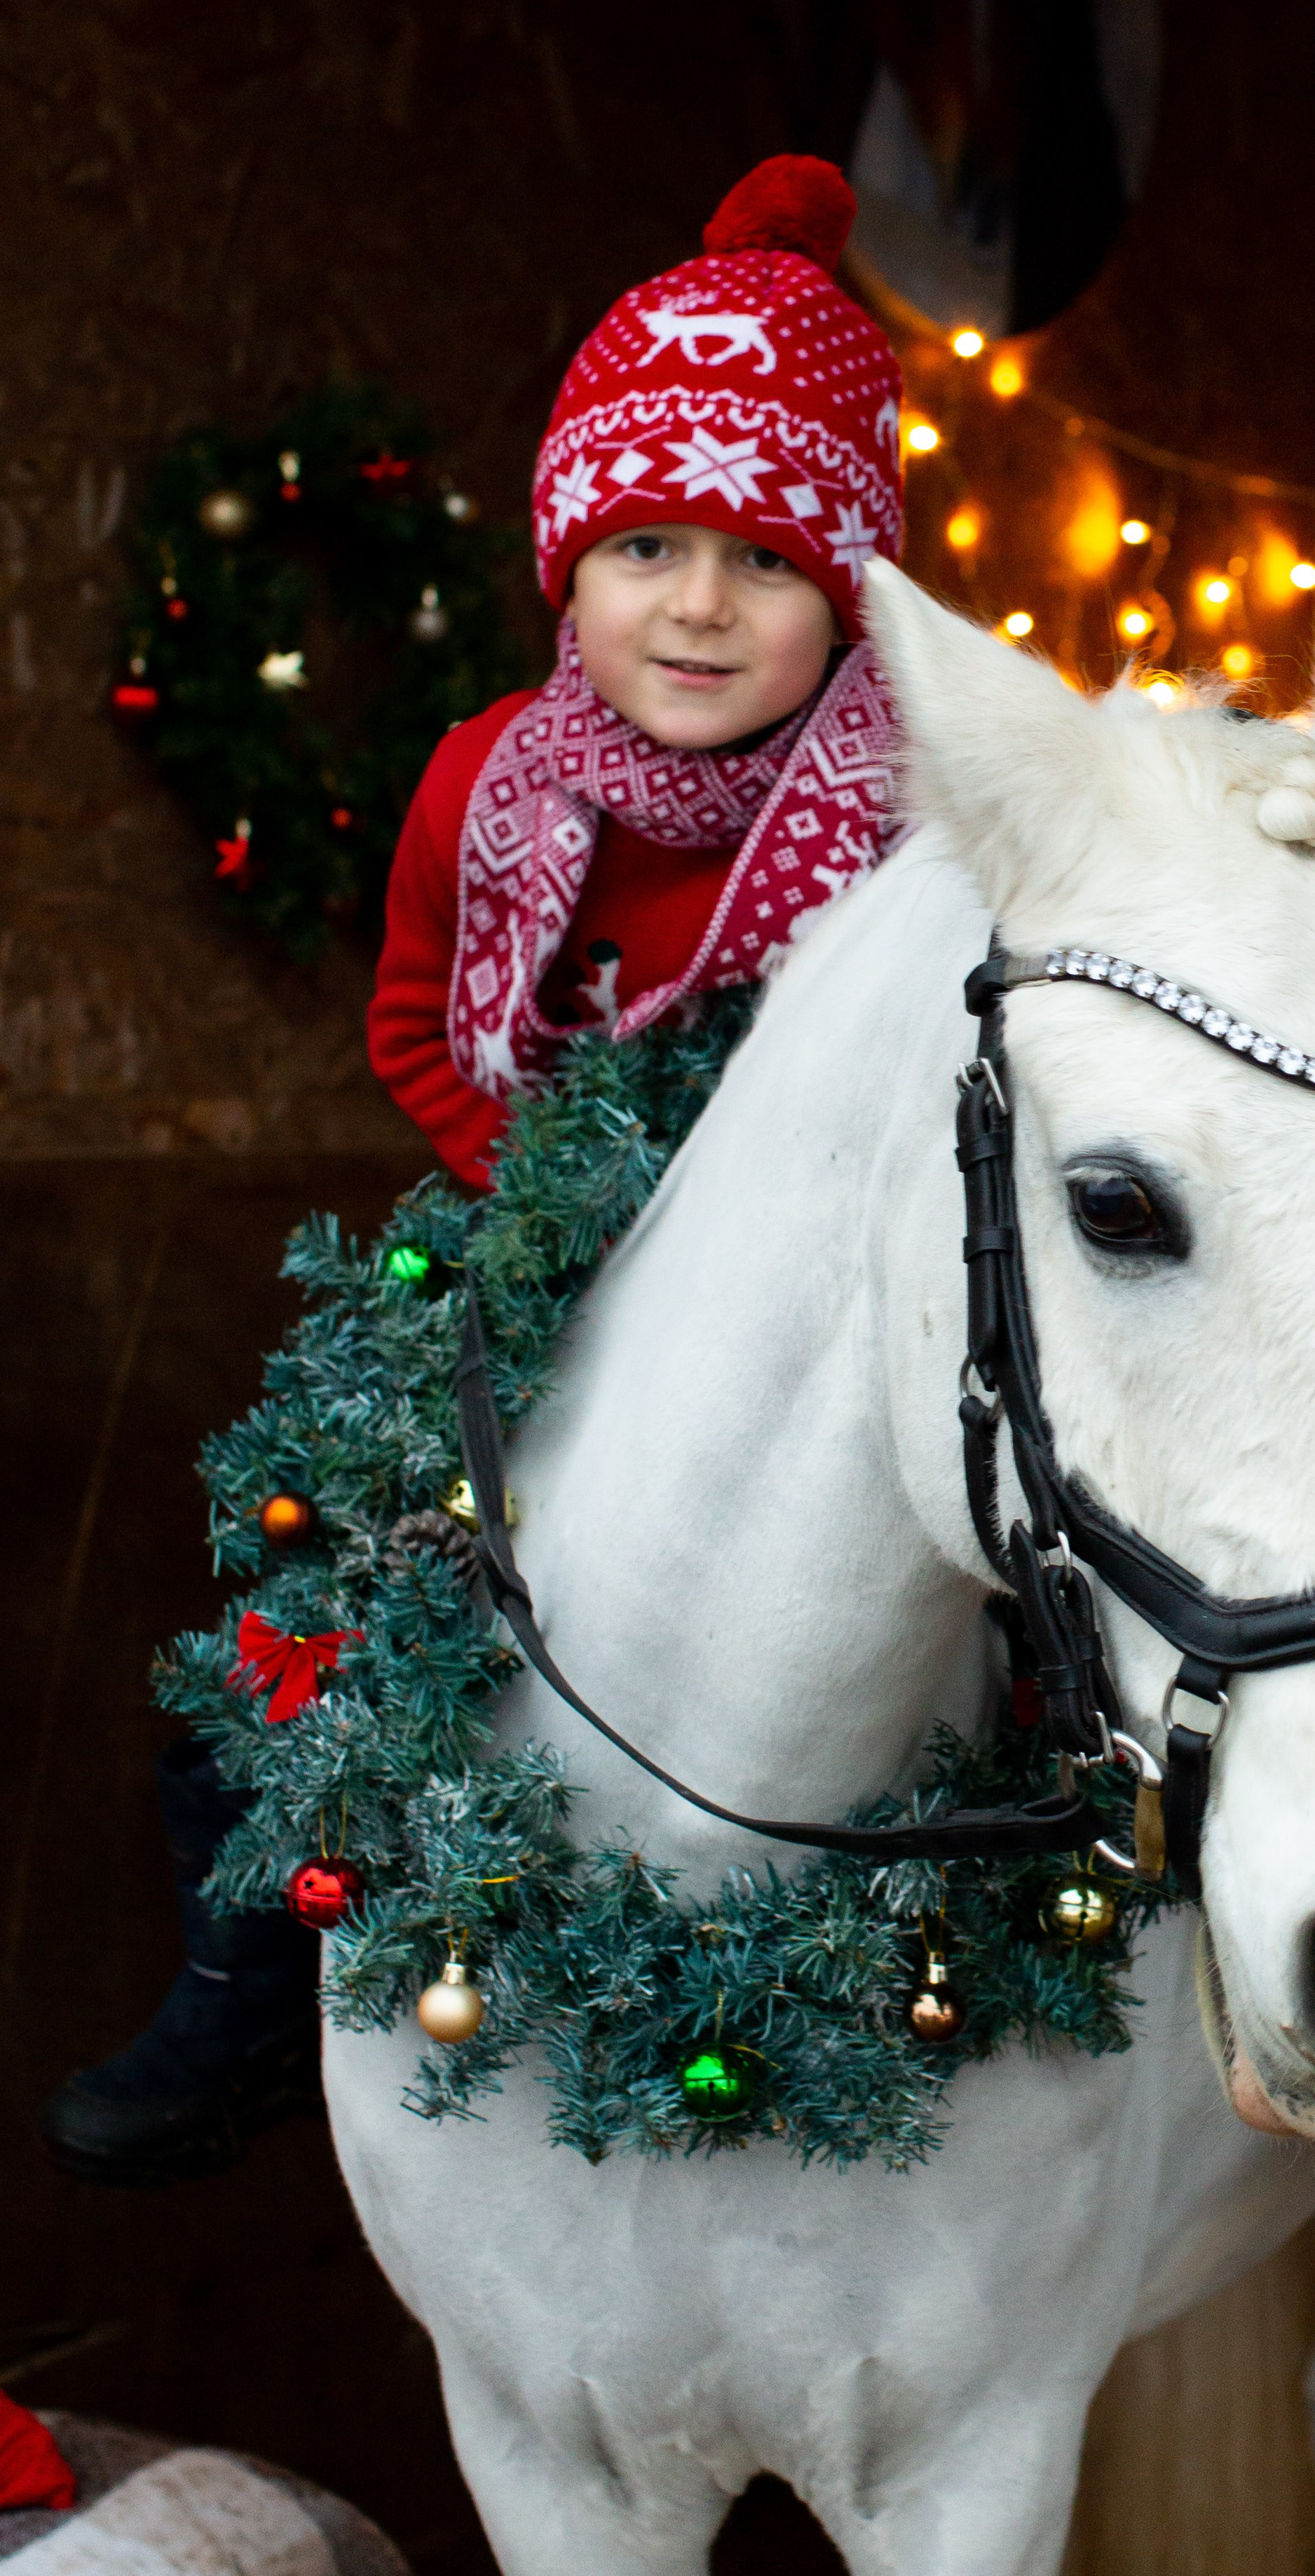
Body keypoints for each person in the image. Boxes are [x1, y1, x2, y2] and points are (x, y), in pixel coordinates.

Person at [40, 154, 905, 2185]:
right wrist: (551, 1199)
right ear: (567, 563)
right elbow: (420, 1023)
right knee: (329, 1549)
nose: (698, 607)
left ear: (848, 593)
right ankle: (252, 1954)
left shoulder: (900, 809)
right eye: (649, 546)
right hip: (531, 1237)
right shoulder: (486, 780)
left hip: (828, 1275)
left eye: (765, 565)